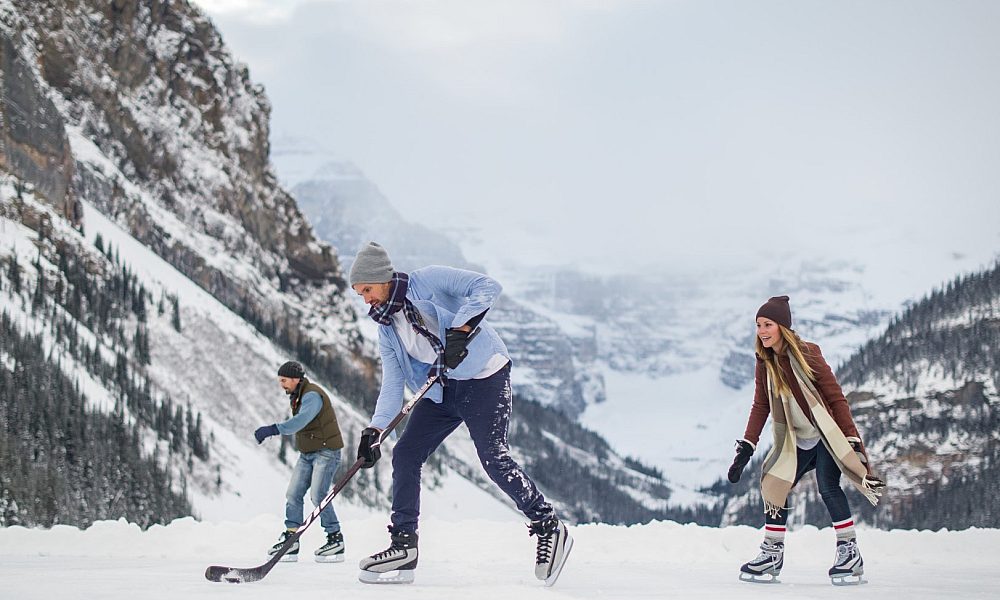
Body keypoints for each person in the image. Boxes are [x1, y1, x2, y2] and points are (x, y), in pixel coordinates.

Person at [348, 241, 572, 586]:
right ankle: (404, 545)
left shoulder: (429, 280)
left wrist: (462, 329)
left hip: (485, 376)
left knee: (493, 457)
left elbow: (487, 287)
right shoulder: (386, 328)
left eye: (367, 289)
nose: (365, 299)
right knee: (406, 452)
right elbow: (393, 385)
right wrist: (374, 431)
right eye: (359, 293)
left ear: (383, 278)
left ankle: (548, 526)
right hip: (443, 388)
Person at [728, 296, 885, 585]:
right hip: (795, 439)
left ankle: (849, 552)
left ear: (782, 327)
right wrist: (747, 447)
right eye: (758, 325)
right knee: (773, 484)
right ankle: (772, 554)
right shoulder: (764, 362)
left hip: (825, 435)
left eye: (768, 325)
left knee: (828, 486)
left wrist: (850, 438)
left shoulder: (808, 353)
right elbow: (761, 404)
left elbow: (836, 397)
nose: (762, 331)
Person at [254, 360, 346, 563]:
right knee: (293, 494)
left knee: (318, 495)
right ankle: (291, 539)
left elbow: (300, 421)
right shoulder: (298, 394)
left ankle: (335, 539)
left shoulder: (312, 395)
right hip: (308, 452)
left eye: (284, 380)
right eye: (280, 380)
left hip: (326, 452)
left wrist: (273, 429)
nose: (282, 384)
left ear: (296, 379)